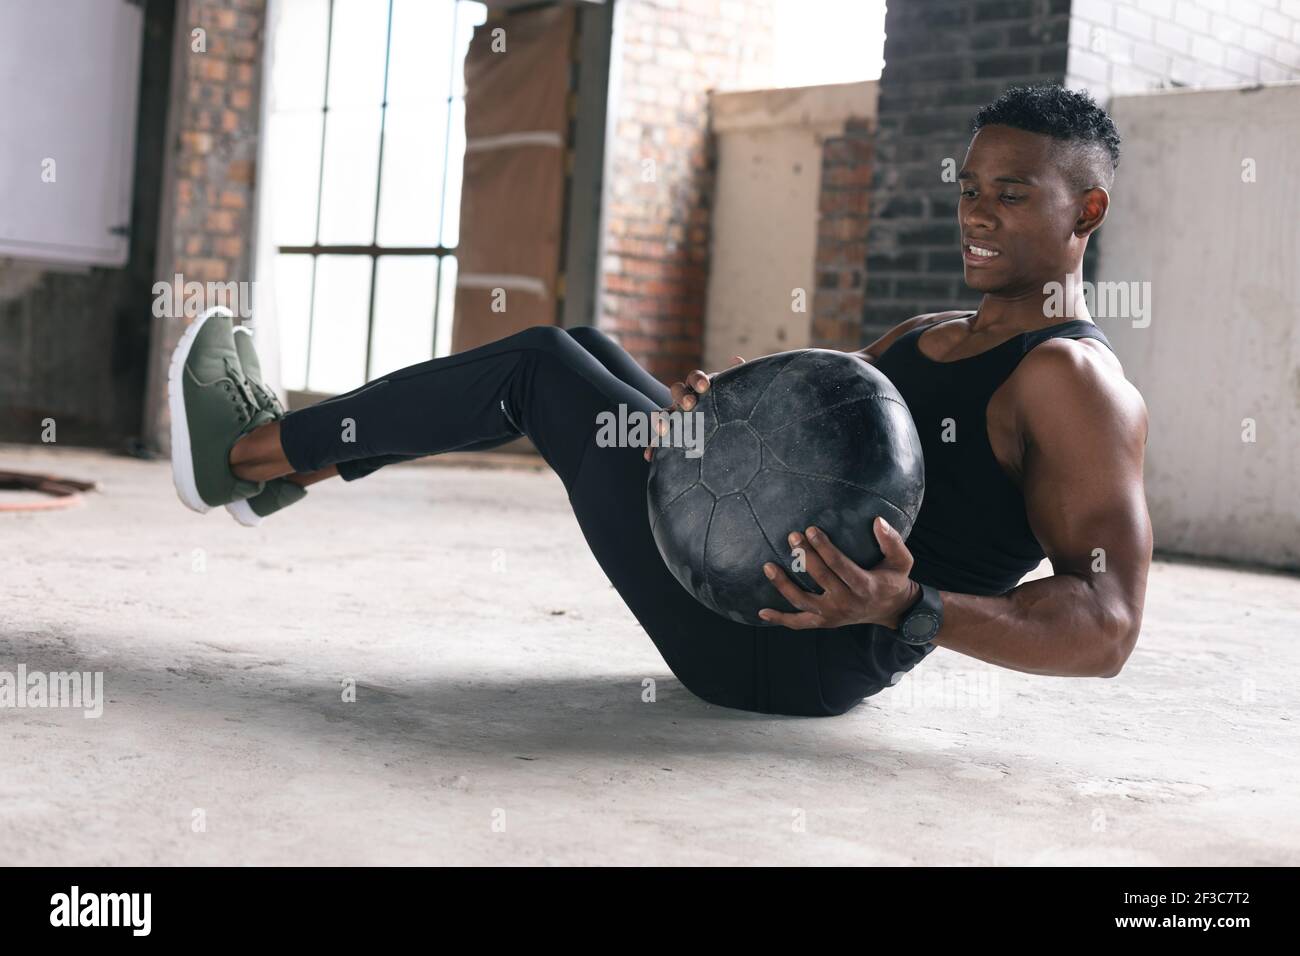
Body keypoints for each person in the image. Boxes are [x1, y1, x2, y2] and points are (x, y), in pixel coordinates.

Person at [169, 84, 1151, 717]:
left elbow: (1105, 625)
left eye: (1011, 193)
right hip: (745, 574)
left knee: (541, 366)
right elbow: (815, 428)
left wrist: (909, 603)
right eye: (970, 187)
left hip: (781, 657)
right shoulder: (931, 331)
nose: (976, 212)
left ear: (1086, 212)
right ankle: (283, 470)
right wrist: (718, 409)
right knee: (590, 350)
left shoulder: (1071, 383)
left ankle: (243, 452)